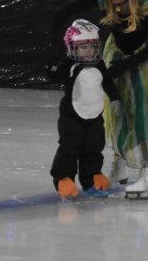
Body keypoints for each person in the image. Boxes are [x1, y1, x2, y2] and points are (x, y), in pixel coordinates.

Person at [47, 0, 148, 198]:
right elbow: (62, 12)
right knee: (116, 110)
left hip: (146, 59)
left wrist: (129, 63)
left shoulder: (144, 5)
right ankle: (119, 164)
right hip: (117, 55)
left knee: (142, 112)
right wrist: (52, 47)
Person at [50, 19, 120, 199]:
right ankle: (63, 179)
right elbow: (55, 76)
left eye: (92, 46)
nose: (88, 51)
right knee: (69, 148)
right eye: (83, 47)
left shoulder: (99, 65)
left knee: (94, 148)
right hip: (71, 118)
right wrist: (51, 68)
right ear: (73, 48)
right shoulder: (70, 66)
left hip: (95, 117)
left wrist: (115, 99)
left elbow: (108, 84)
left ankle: (91, 180)